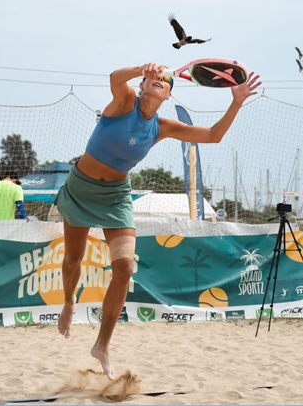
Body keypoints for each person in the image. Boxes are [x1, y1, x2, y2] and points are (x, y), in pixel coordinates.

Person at [55, 62, 260, 380]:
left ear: (168, 94)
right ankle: (69, 302)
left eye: (165, 81)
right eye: (154, 78)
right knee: (72, 259)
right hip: (81, 188)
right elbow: (113, 77)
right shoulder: (125, 102)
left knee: (124, 269)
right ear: (143, 85)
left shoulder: (162, 127)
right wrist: (141, 67)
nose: (159, 81)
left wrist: (235, 102)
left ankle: (102, 346)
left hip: (116, 196)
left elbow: (213, 136)